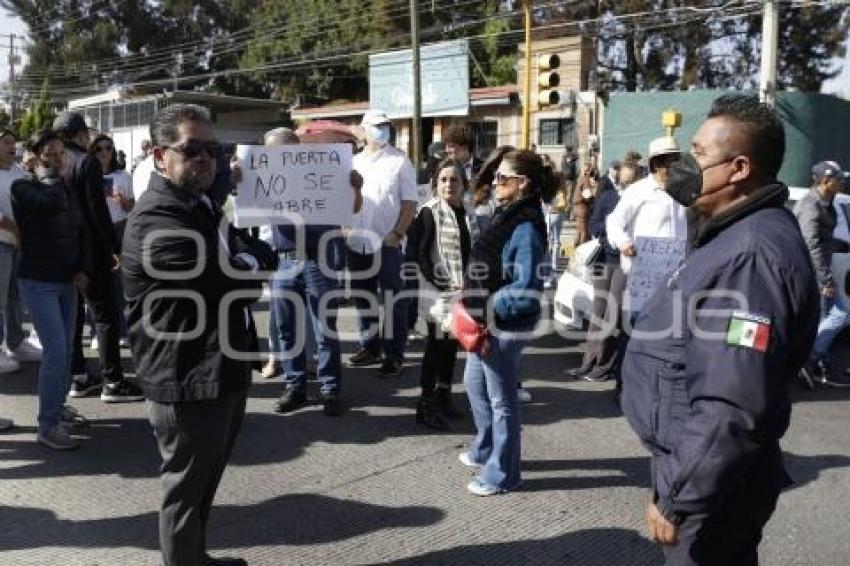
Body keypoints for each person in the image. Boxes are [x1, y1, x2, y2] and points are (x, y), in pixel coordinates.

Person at [621, 93, 819, 564]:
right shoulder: (732, 233)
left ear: (739, 168)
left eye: (700, 154)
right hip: (703, 468)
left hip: (712, 488)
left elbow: (732, 403)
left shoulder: (749, 256)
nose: (685, 165)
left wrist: (678, 495)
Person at [122, 103, 277, 566]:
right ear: (158, 155)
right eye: (192, 149)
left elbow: (251, 255)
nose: (205, 158)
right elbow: (234, 281)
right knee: (186, 490)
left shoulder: (199, 204)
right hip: (187, 375)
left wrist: (248, 262)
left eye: (213, 149)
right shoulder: (157, 220)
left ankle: (196, 559)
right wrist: (249, 266)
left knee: (205, 481)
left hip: (219, 365)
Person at [459, 149, 555, 496]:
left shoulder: (526, 225)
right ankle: (486, 448)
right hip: (484, 320)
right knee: (473, 383)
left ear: (522, 183)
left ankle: (504, 474)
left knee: (503, 403)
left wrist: (485, 304)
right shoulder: (508, 213)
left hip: (503, 325)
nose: (495, 183)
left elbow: (526, 288)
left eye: (502, 178)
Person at [53, 111, 143, 403]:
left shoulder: (51, 162)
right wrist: (114, 246)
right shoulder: (85, 161)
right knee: (104, 316)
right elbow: (97, 210)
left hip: (61, 250)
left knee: (74, 317)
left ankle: (78, 377)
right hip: (90, 250)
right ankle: (113, 381)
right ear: (80, 135)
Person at [12, 129, 89, 450]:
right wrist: (47, 174)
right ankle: (47, 425)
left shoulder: (63, 186)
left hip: (67, 281)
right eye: (50, 154)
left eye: (60, 153)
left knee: (67, 351)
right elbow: (50, 203)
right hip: (38, 281)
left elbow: (79, 228)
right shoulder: (23, 187)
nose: (57, 159)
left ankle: (57, 410)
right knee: (55, 351)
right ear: (34, 157)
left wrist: (83, 268)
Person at [408, 158, 478, 430]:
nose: (449, 184)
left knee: (450, 347)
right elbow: (419, 254)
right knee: (435, 348)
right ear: (435, 184)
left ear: (463, 184)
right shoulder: (429, 212)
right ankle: (425, 406)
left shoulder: (466, 211)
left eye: (454, 179)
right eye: (444, 180)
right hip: (437, 293)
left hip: (461, 290)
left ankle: (444, 396)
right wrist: (443, 284)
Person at [347, 110, 417, 377]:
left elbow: (410, 203)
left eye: (386, 126)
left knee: (393, 300)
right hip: (356, 242)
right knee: (363, 298)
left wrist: (397, 234)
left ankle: (394, 354)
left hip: (388, 243)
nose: (382, 130)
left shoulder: (400, 162)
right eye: (376, 126)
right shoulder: (352, 162)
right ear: (363, 130)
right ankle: (370, 346)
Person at [568, 161, 638, 382]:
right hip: (604, 259)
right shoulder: (608, 198)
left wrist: (623, 242)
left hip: (624, 263)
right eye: (622, 180)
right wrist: (609, 237)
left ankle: (604, 364)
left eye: (630, 181)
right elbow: (594, 224)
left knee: (612, 313)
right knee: (597, 312)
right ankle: (588, 361)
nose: (624, 185)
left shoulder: (639, 201)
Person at [605, 136, 687, 304]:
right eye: (671, 162)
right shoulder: (638, 191)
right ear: (657, 164)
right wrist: (624, 243)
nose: (676, 167)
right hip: (643, 276)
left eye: (677, 161)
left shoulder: (683, 190)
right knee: (640, 325)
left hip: (676, 274)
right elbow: (614, 221)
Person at [794, 161, 850, 389]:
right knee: (840, 314)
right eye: (838, 179)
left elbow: (824, 239)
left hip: (823, 268)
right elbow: (811, 244)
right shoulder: (810, 205)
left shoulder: (829, 203)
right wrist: (825, 279)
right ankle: (807, 359)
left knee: (822, 318)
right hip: (814, 272)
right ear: (825, 181)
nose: (842, 182)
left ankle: (818, 364)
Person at [0, 128, 42, 373]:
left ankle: (16, 343)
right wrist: (14, 228)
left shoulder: (20, 173)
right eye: (6, 142)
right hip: (4, 241)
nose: (11, 146)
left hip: (18, 244)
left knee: (16, 297)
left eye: (13, 143)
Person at [89, 134, 135, 342]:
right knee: (97, 283)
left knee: (120, 283)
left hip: (119, 228)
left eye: (108, 148)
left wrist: (122, 200)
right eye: (99, 149)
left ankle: (122, 330)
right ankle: (99, 332)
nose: (104, 152)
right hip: (96, 230)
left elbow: (131, 208)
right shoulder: (88, 174)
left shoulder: (123, 176)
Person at [442, 124, 482, 193]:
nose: (447, 150)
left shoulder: (483, 167)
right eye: (446, 146)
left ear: (465, 146)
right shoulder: (443, 167)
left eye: (451, 146)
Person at [572, 157, 598, 246]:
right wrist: (594, 197)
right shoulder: (585, 180)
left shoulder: (579, 179)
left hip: (576, 207)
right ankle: (582, 247)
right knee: (584, 231)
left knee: (578, 229)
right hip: (582, 207)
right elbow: (587, 195)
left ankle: (575, 247)